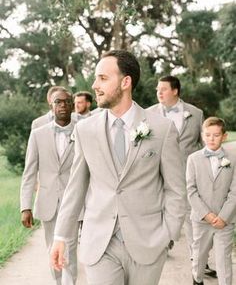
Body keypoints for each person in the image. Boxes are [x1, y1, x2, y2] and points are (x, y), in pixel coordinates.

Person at [51, 50, 186, 285]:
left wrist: (168, 234)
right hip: (100, 244)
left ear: (126, 82)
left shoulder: (162, 128)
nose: (95, 85)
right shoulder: (85, 130)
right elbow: (75, 187)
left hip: (148, 243)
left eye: (103, 78)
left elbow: (175, 189)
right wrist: (61, 235)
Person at [147, 76, 216, 278]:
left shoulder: (195, 113)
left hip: (188, 175)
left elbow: (204, 145)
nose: (159, 93)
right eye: (157, 89)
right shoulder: (149, 114)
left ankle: (199, 262)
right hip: (156, 174)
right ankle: (157, 249)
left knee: (192, 217)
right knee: (156, 214)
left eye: (164, 89)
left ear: (175, 91)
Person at [20, 89, 78, 285]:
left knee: (70, 247)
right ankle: (59, 282)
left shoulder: (83, 130)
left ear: (72, 105)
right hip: (47, 201)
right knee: (52, 248)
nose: (62, 105)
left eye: (66, 102)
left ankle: (70, 282)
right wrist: (25, 207)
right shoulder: (38, 134)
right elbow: (29, 172)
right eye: (57, 102)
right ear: (51, 106)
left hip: (74, 201)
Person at [186, 117, 236, 285]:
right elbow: (191, 190)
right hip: (201, 219)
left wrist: (224, 217)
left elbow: (234, 191)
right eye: (207, 135)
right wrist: (206, 214)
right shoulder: (193, 159)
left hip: (225, 221)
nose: (211, 139)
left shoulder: (233, 159)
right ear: (202, 135)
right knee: (199, 259)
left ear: (224, 136)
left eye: (216, 135)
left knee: (224, 260)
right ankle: (197, 280)